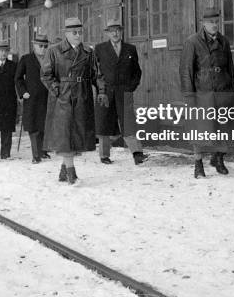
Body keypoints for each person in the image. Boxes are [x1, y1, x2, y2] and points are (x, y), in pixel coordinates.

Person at [41, 17, 106, 184]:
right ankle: (71, 172)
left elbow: (96, 74)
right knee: (65, 133)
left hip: (82, 96)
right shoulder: (54, 51)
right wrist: (58, 91)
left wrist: (102, 91)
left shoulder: (88, 52)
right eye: (74, 32)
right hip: (63, 97)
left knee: (75, 134)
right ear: (66, 34)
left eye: (80, 32)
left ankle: (64, 169)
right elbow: (46, 75)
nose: (78, 35)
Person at [179, 7, 234, 178]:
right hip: (202, 93)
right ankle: (198, 164)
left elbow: (230, 68)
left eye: (216, 21)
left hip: (223, 92)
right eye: (210, 22)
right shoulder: (192, 42)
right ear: (203, 24)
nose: (214, 25)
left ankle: (218, 158)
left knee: (224, 128)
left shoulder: (224, 41)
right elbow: (185, 71)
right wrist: (189, 96)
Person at [94, 18, 148, 165]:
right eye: (112, 31)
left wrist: (131, 87)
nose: (115, 33)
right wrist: (101, 89)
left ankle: (137, 154)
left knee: (129, 122)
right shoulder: (100, 49)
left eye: (117, 30)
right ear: (107, 33)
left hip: (124, 92)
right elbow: (95, 72)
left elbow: (137, 72)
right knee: (104, 123)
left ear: (121, 32)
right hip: (105, 93)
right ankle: (104, 155)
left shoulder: (130, 49)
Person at [14, 32, 50, 163]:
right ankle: (36, 156)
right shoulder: (26, 59)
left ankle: (43, 151)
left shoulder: (50, 59)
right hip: (32, 98)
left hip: (47, 98)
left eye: (45, 46)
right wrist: (23, 92)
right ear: (34, 46)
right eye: (40, 46)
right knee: (33, 127)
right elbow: (18, 78)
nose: (43, 49)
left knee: (44, 126)